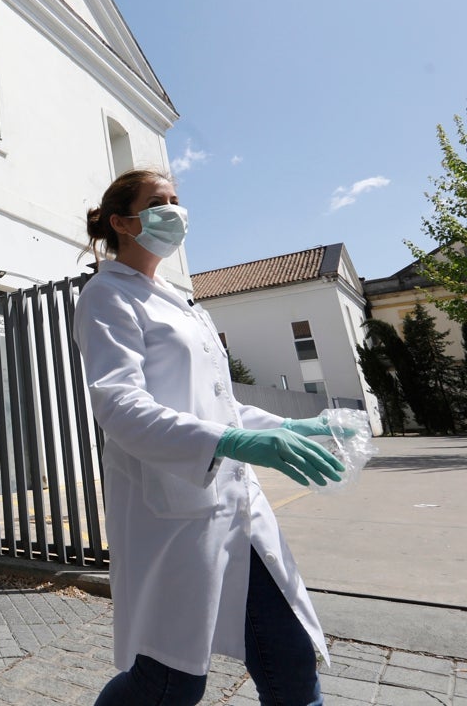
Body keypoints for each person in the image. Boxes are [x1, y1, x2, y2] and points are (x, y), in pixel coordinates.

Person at [72, 168, 345, 706]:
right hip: (176, 515)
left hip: (239, 509)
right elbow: (120, 406)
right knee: (170, 681)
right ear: (123, 223)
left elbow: (221, 404)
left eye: (177, 199)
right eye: (159, 202)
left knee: (291, 659)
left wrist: (286, 427)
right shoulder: (107, 297)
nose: (176, 210)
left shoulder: (179, 300)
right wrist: (230, 444)